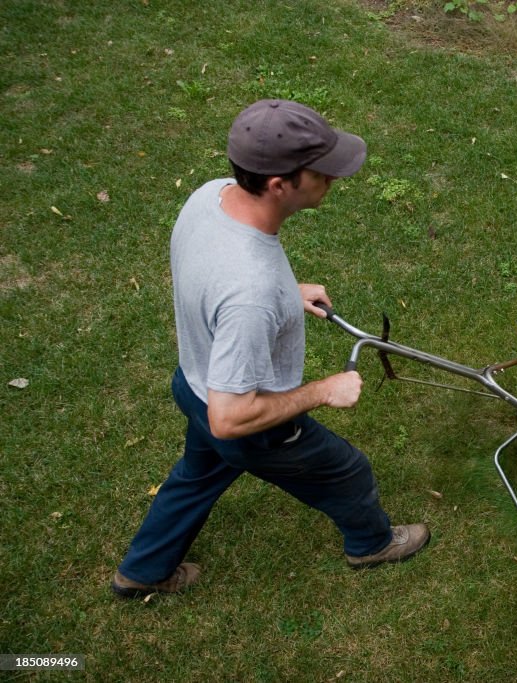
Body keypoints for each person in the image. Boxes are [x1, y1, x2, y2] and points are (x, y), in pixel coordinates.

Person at [112, 100, 429, 598]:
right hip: (243, 421)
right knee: (348, 471)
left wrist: (287, 293)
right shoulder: (250, 292)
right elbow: (231, 418)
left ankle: (142, 572)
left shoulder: (211, 197)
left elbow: (218, 279)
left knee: (197, 476)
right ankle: (370, 544)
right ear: (280, 184)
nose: (333, 178)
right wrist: (324, 390)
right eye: (322, 171)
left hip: (191, 382)